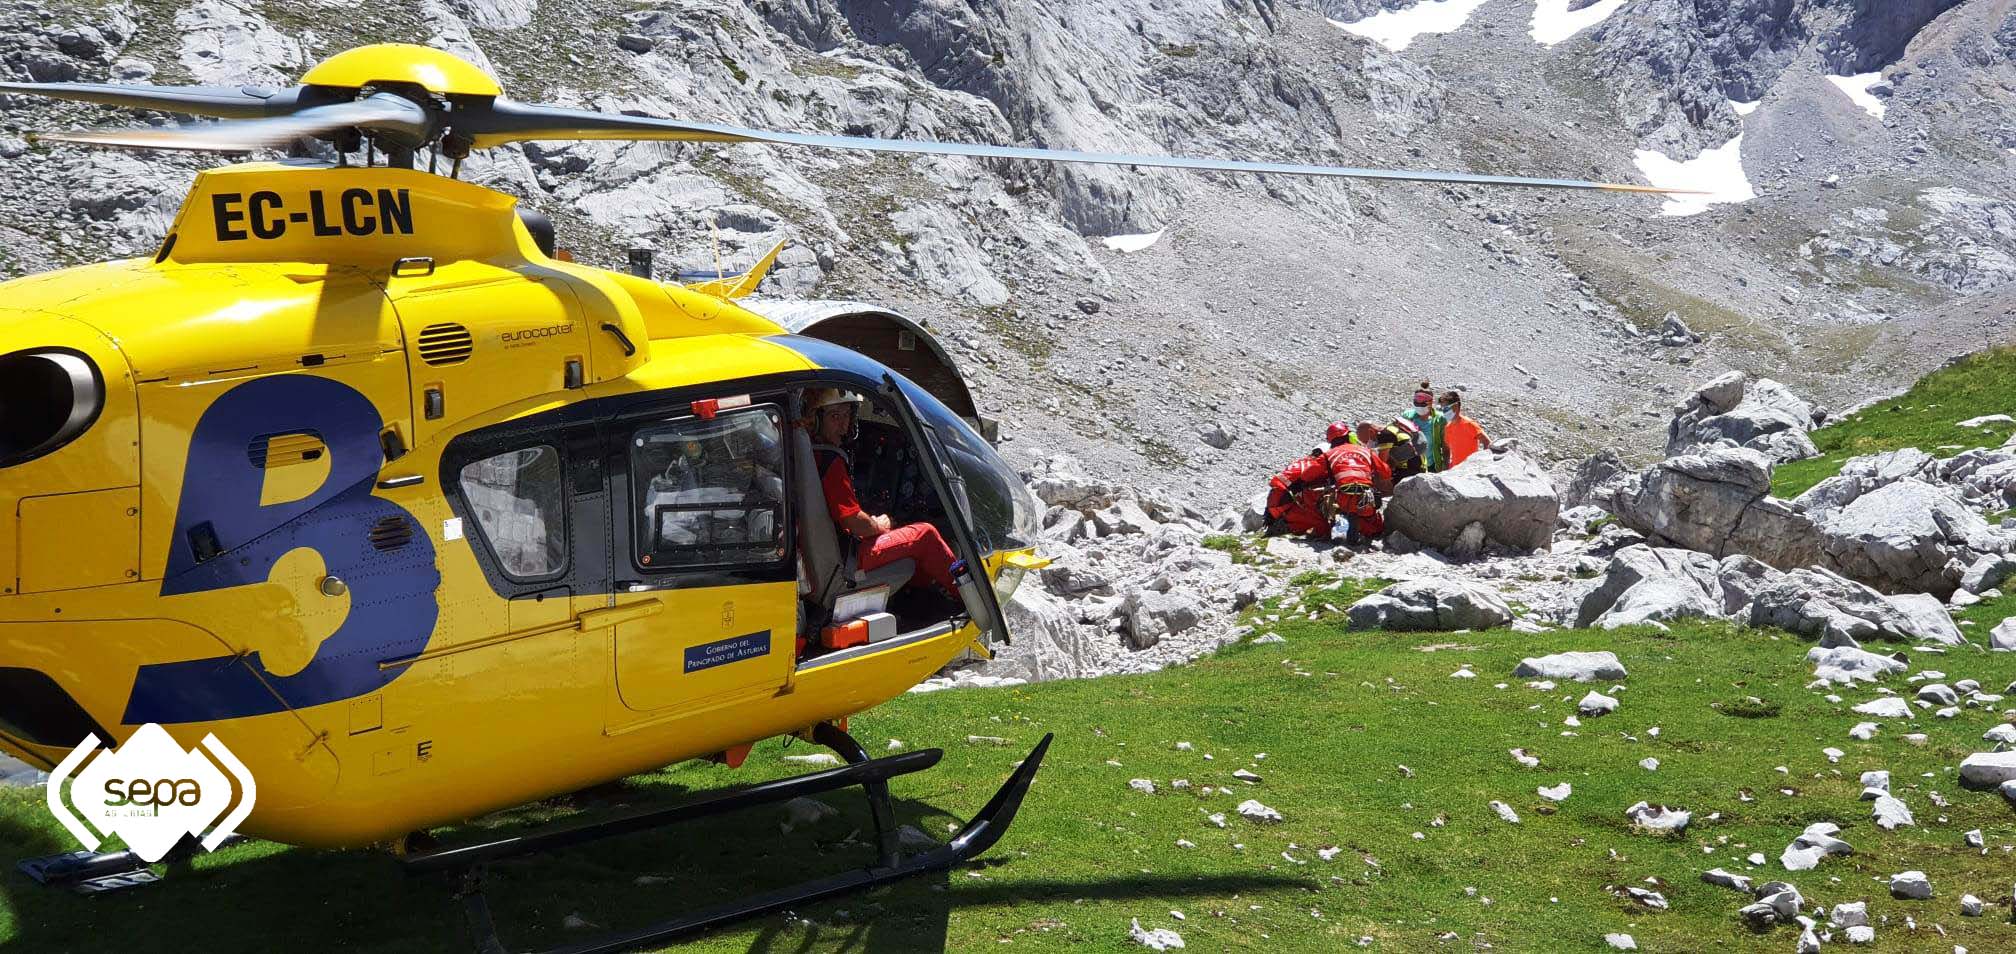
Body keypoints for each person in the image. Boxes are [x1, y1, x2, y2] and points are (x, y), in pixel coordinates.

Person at [805, 388, 958, 598]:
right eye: (835, 416)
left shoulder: (808, 454)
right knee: (925, 535)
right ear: (816, 419)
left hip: (827, 554)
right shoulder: (830, 462)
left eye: (847, 415)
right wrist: (879, 525)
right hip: (847, 557)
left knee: (905, 540)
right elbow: (853, 520)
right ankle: (969, 600)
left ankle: (923, 601)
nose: (843, 425)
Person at [1265, 426, 1348, 539]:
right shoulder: (1312, 466)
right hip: (1284, 506)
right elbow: (1279, 482)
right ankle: (1287, 524)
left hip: (1279, 505)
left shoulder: (1303, 463)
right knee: (1322, 525)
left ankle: (1289, 523)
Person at [1323, 421, 1394, 544]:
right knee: (1373, 523)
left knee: (1338, 508)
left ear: (1331, 441)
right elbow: (1385, 472)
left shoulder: (1328, 454)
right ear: (1348, 435)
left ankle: (1344, 532)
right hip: (1366, 498)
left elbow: (1313, 475)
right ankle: (1371, 533)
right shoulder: (1366, 451)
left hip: (1342, 499)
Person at [1438, 390, 1492, 469]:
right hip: (1455, 469)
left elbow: (1487, 442)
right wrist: (1446, 467)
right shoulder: (1448, 427)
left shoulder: (1469, 424)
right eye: (1442, 409)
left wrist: (1483, 464)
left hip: (1470, 470)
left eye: (1446, 409)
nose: (1443, 412)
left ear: (1456, 406)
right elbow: (1446, 448)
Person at [1399, 382, 1441, 472]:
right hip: (1408, 463)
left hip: (1430, 465)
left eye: (1422, 403)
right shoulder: (1407, 416)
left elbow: (1445, 445)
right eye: (1416, 401)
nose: (1419, 405)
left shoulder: (1438, 420)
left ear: (1431, 402)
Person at [1376, 417, 1426, 481]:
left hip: (1406, 469)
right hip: (1420, 464)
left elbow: (1382, 462)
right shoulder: (1394, 427)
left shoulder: (1385, 433)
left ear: (1371, 432)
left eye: (1365, 441)